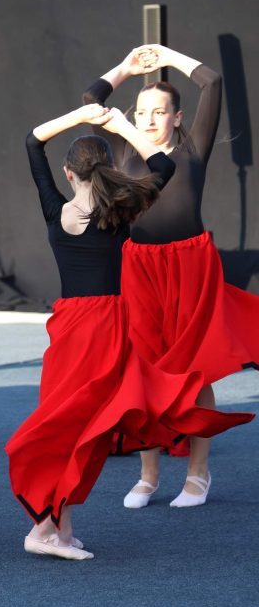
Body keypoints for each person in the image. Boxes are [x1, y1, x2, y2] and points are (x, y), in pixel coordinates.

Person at [5, 105, 252, 560]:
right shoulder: (119, 214)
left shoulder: (56, 209)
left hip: (69, 329)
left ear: (68, 173)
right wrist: (120, 125)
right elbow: (163, 166)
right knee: (83, 429)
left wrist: (78, 115)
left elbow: (32, 141)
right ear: (109, 170)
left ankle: (54, 528)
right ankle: (47, 530)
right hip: (106, 329)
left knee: (74, 427)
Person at [82, 45, 259, 508]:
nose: (148, 119)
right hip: (140, 265)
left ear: (177, 117)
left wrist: (166, 55)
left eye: (159, 112)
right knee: (145, 367)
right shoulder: (124, 147)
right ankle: (148, 474)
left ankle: (198, 473)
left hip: (190, 264)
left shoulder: (192, 146)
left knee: (196, 368)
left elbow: (212, 82)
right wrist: (125, 68)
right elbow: (91, 99)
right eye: (142, 112)